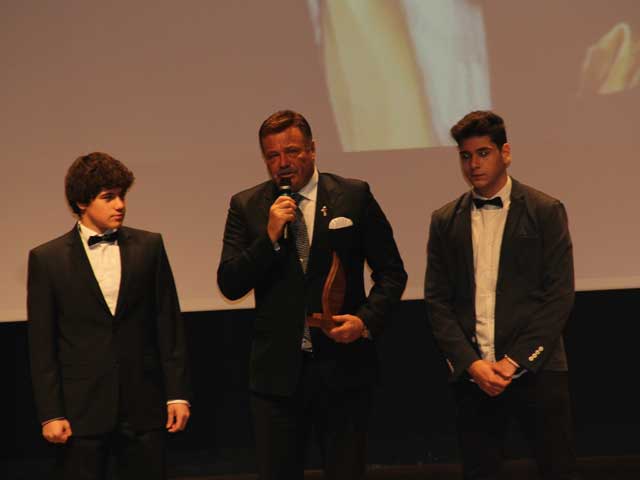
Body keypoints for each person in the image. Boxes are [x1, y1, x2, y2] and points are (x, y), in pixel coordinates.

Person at [217, 110, 407, 479]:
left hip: (344, 370)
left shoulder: (353, 196)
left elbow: (392, 273)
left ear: (313, 149)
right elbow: (230, 283)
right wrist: (269, 236)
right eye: (273, 156)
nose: (283, 163)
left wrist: (365, 321)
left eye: (291, 151)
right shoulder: (247, 206)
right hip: (277, 379)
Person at [424, 111, 578, 479]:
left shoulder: (545, 210)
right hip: (474, 376)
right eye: (465, 156)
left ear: (505, 153)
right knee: (480, 471)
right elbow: (437, 301)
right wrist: (471, 364)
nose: (473, 164)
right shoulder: (445, 220)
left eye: (483, 153)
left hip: (538, 370)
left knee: (557, 468)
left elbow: (558, 295)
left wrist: (515, 361)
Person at [27, 152, 191, 480]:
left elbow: (168, 324)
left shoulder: (149, 247)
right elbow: (42, 344)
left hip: (143, 405)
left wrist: (177, 393)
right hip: (82, 411)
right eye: (108, 197)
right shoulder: (48, 259)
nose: (120, 205)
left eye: (122, 195)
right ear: (81, 202)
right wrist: (51, 413)